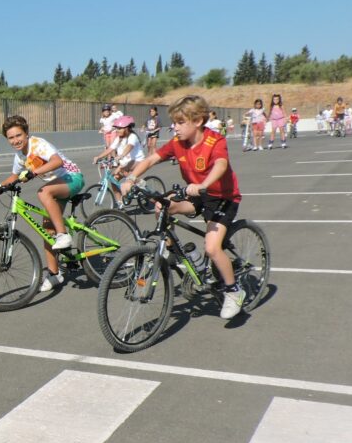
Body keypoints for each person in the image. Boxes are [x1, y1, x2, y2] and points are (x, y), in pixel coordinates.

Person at [119, 95, 246, 320]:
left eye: (179, 122)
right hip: (195, 193)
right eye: (173, 122)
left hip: (222, 197)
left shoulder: (214, 141)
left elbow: (221, 164)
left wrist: (204, 185)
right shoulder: (177, 143)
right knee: (163, 206)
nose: (174, 128)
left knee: (213, 248)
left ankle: (234, 291)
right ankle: (175, 254)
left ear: (197, 121)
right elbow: (150, 159)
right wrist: (130, 178)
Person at [0, 115, 85, 292]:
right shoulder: (20, 155)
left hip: (72, 178)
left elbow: (58, 161)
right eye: (11, 137)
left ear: (26, 134)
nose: (15, 140)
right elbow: (14, 176)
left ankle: (63, 235)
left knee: (43, 192)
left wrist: (33, 173)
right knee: (47, 231)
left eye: (18, 135)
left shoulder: (38, 144)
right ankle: (54, 274)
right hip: (56, 186)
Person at [92, 114, 145, 207]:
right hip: (126, 162)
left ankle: (140, 184)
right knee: (113, 179)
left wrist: (120, 156)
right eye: (117, 128)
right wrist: (98, 157)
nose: (117, 130)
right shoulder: (119, 138)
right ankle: (119, 202)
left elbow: (129, 147)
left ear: (127, 128)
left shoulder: (132, 136)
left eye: (120, 128)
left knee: (123, 170)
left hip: (137, 160)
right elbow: (110, 149)